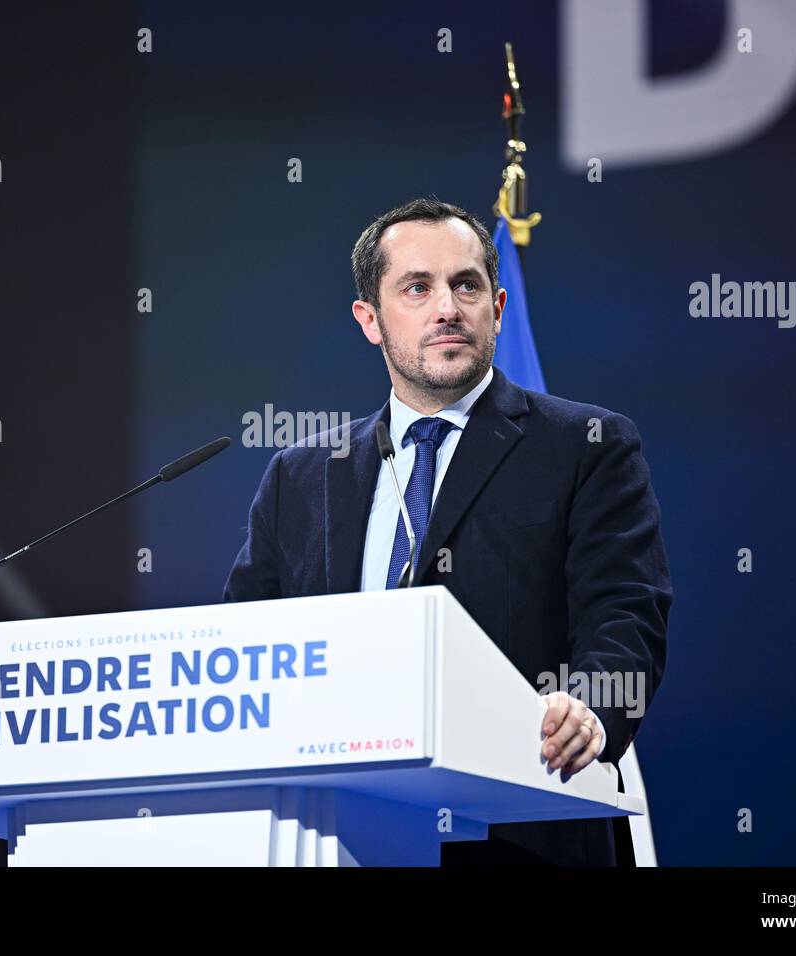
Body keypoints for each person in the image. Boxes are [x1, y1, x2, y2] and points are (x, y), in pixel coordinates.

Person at [223, 197, 673, 865]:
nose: (447, 308)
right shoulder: (301, 475)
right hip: (337, 832)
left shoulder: (584, 445)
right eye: (417, 287)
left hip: (521, 825)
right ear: (370, 321)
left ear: (497, 307)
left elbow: (624, 612)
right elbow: (248, 646)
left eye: (467, 285)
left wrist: (589, 709)